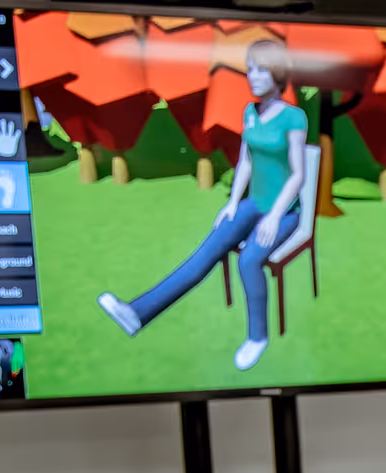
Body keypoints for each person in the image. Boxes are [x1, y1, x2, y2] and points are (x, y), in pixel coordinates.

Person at [98, 41, 308, 372]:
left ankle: (258, 337)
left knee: (249, 261)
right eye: (250, 68)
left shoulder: (294, 118)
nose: (252, 76)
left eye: (261, 69)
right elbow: (246, 163)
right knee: (205, 253)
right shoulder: (250, 113)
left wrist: (275, 216)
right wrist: (232, 204)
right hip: (253, 203)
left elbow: (298, 175)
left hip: (285, 213)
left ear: (279, 75)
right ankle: (137, 313)